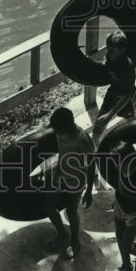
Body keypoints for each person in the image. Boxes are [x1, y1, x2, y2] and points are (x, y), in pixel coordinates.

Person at [42, 107, 95, 260]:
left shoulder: (81, 139)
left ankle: (75, 241)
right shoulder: (59, 128)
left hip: (76, 179)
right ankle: (62, 234)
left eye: (57, 129)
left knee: (72, 212)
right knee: (49, 207)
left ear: (66, 127)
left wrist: (89, 190)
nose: (55, 131)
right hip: (59, 174)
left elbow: (91, 163)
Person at [105, 140, 136, 271]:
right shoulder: (121, 166)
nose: (116, 166)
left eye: (118, 162)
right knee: (119, 237)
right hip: (119, 206)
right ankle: (126, 267)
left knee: (126, 244)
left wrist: (126, 192)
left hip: (134, 212)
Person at [92, 30, 136, 144]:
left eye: (112, 50)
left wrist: (109, 115)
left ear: (122, 50)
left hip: (126, 99)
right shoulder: (109, 56)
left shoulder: (128, 68)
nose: (109, 52)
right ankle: (93, 149)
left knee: (132, 126)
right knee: (98, 125)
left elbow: (127, 95)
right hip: (112, 92)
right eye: (108, 48)